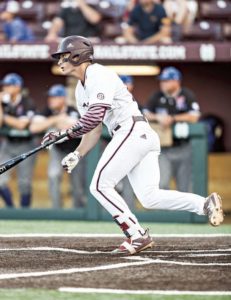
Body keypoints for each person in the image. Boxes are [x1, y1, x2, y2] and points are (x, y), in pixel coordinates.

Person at [41, 35, 224, 255]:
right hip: (138, 134)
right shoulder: (81, 91)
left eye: (64, 56)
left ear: (79, 55)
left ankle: (137, 235)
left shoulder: (98, 73)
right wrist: (78, 153)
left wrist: (62, 133)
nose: (60, 61)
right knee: (149, 196)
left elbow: (94, 117)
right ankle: (204, 204)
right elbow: (95, 129)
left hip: (131, 130)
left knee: (99, 185)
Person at [143, 66, 200, 192]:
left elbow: (195, 116)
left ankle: (184, 213)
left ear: (176, 81)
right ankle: (166, 213)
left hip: (184, 147)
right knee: (162, 184)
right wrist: (158, 117)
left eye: (166, 80)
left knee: (185, 187)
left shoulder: (186, 95)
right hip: (163, 149)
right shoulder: (156, 96)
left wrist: (172, 118)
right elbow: (145, 113)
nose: (162, 83)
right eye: (162, 80)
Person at [29, 84, 86, 208]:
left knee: (77, 185)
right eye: (50, 96)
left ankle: (79, 212)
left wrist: (52, 123)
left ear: (63, 98)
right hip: (58, 150)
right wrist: (56, 119)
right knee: (53, 176)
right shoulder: (47, 111)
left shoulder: (73, 110)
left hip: (75, 151)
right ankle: (57, 209)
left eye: (55, 97)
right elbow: (34, 127)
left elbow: (76, 127)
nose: (51, 99)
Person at [0, 73, 36, 207]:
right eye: (4, 85)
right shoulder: (3, 103)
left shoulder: (28, 102)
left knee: (24, 182)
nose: (4, 88)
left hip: (26, 144)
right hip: (8, 144)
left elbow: (22, 125)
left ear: (17, 86)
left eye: (8, 85)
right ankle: (11, 209)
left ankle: (24, 213)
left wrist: (5, 118)